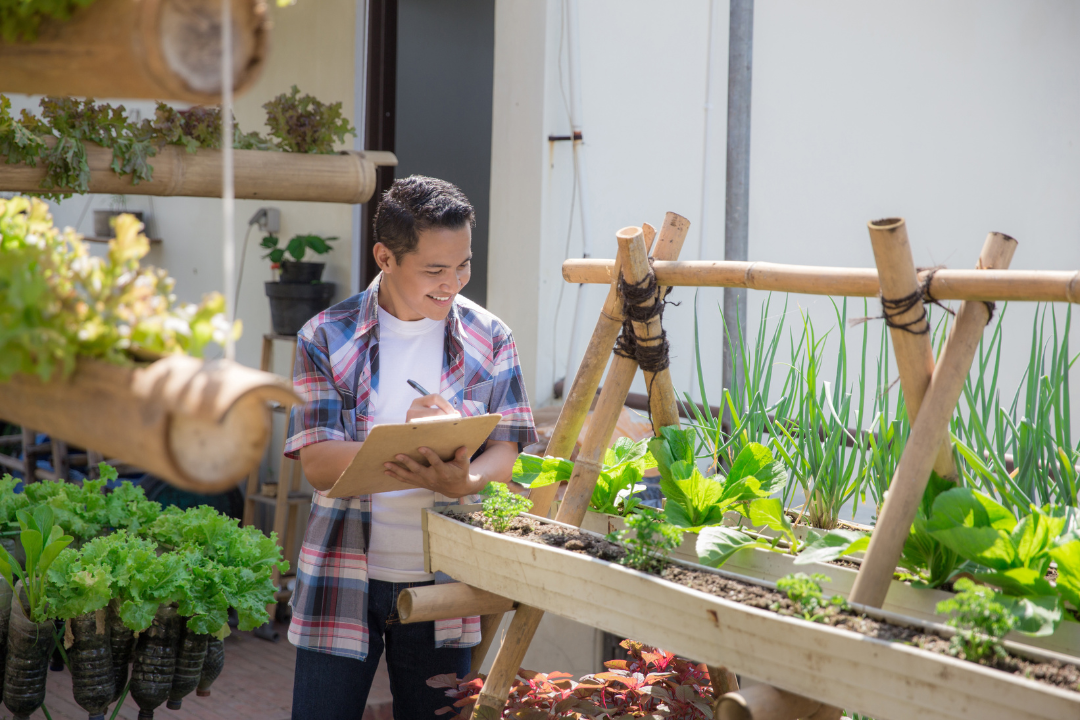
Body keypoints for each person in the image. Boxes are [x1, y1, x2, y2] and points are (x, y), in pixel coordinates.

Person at [284, 175, 537, 719]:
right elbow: (319, 463)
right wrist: (416, 444)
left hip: (445, 582)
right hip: (343, 574)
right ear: (386, 257)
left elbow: (507, 449)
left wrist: (464, 480)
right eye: (436, 269)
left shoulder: (491, 337)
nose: (454, 283)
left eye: (464, 265)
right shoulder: (324, 336)